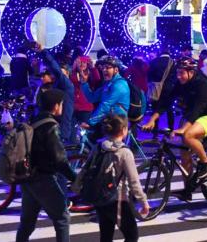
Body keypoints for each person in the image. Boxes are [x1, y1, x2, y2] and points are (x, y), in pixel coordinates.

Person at [143, 57, 207, 200]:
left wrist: (183, 128)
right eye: (178, 73)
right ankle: (187, 191)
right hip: (194, 117)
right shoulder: (181, 84)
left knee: (188, 136)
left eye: (182, 73)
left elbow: (197, 109)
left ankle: (206, 164)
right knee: (184, 156)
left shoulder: (203, 84)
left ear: (191, 72)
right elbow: (165, 101)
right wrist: (152, 120)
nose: (179, 76)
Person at [73, 114, 149, 242]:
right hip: (118, 199)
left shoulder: (98, 147)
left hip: (100, 197)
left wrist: (76, 186)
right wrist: (144, 201)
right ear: (124, 130)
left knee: (106, 235)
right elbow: (134, 182)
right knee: (132, 235)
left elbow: (86, 168)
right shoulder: (124, 152)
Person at [16, 89, 76, 242]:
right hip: (43, 178)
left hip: (27, 177)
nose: (62, 106)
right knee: (62, 218)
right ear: (56, 106)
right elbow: (59, 159)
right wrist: (74, 178)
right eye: (61, 104)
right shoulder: (51, 126)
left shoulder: (34, 121)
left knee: (27, 222)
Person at [79, 56, 130, 140]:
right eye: (103, 68)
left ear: (116, 70)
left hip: (118, 123)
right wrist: (84, 83)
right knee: (95, 142)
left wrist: (90, 122)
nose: (104, 70)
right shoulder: (107, 84)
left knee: (104, 145)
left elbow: (106, 105)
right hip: (109, 120)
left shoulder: (120, 85)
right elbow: (92, 98)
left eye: (107, 68)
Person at [34, 43, 75, 143]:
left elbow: (55, 69)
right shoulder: (56, 85)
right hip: (55, 127)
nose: (58, 74)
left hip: (62, 130)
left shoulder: (67, 85)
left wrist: (44, 51)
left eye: (62, 72)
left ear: (67, 73)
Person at [147, 49, 176, 135]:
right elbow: (174, 77)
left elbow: (149, 76)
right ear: (169, 53)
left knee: (155, 109)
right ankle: (171, 129)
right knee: (169, 109)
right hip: (169, 90)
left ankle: (155, 130)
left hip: (156, 90)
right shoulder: (173, 62)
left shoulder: (154, 61)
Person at [70, 56, 101, 128]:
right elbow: (72, 81)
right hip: (74, 108)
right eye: (80, 63)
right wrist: (74, 68)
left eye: (84, 62)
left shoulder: (90, 75)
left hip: (86, 108)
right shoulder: (74, 74)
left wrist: (93, 67)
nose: (82, 64)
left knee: (84, 132)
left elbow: (97, 80)